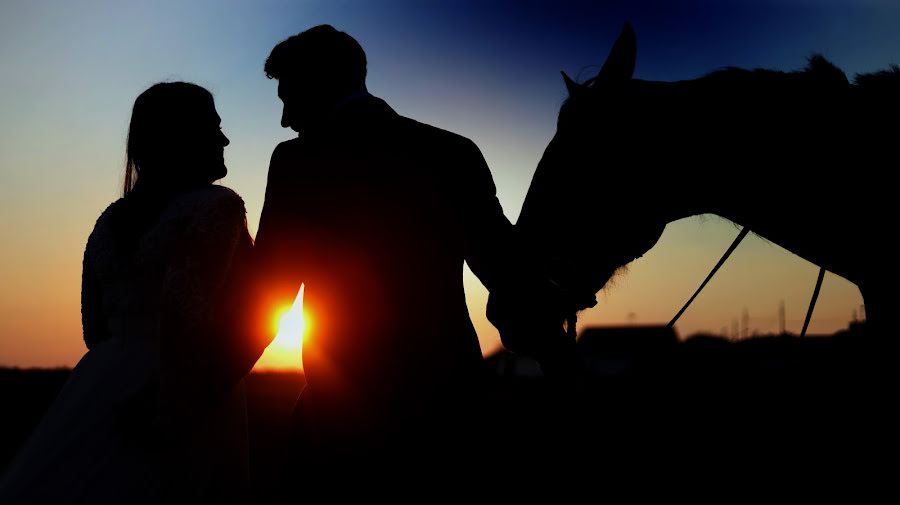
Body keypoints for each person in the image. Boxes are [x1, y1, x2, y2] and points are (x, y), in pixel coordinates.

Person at [254, 25, 515, 456]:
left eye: (288, 99)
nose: (285, 120)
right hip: (453, 407)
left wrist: (204, 384)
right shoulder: (453, 151)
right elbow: (507, 272)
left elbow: (265, 297)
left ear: (318, 84)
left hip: (346, 416)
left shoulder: (297, 162)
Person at [0, 82, 262, 504]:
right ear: (185, 136)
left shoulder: (110, 219)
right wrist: (181, 393)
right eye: (214, 126)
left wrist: (122, 364)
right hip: (182, 380)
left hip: (102, 378)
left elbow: (94, 324)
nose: (225, 138)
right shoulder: (217, 207)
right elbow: (187, 308)